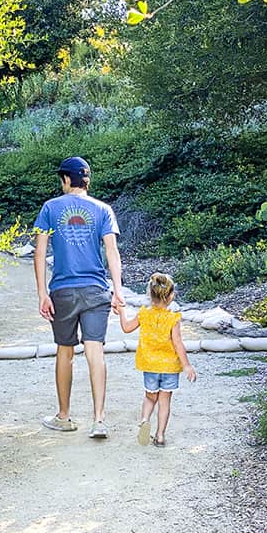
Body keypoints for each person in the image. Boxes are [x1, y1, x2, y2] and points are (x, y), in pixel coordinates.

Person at [33, 156, 124, 438]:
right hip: (96, 288)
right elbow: (112, 251)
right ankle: (99, 420)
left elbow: (39, 252)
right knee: (95, 351)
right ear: (86, 180)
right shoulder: (103, 210)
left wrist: (41, 294)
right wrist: (117, 290)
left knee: (65, 350)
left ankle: (64, 416)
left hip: (62, 289)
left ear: (65, 179)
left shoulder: (50, 208)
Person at [114, 272, 196, 446]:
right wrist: (187, 365)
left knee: (150, 397)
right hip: (169, 367)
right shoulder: (173, 319)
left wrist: (121, 311)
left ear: (149, 295)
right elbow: (178, 343)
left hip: (149, 365)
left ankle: (145, 421)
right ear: (171, 296)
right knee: (164, 402)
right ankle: (160, 436)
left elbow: (127, 328)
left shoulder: (144, 314)